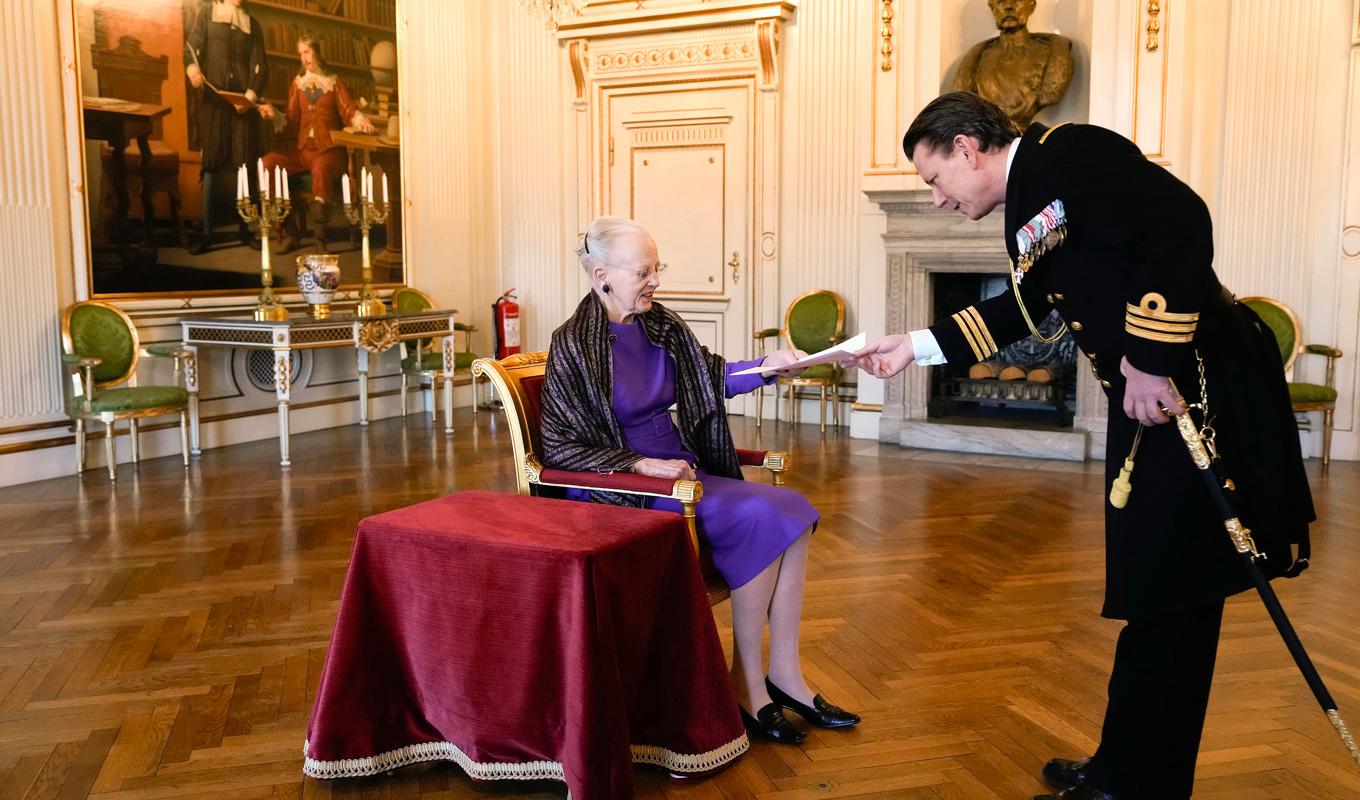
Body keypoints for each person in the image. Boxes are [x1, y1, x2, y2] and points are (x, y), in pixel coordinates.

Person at [854, 92, 1314, 800]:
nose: (937, 198)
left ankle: (1137, 784)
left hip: (1193, 390)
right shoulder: (1033, 200)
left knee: (1172, 593)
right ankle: (1124, 767)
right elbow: (1028, 307)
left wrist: (1149, 357)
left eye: (933, 178)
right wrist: (912, 346)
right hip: (1155, 399)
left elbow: (1181, 222)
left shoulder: (1071, 153)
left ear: (967, 149)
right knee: (1154, 590)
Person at [540, 216, 862, 744]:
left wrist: (767, 367)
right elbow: (560, 448)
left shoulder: (658, 325)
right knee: (764, 514)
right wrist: (638, 465)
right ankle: (749, 687)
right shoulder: (574, 343)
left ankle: (784, 675)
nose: (656, 281)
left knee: (795, 513)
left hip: (682, 473)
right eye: (644, 270)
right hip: (625, 489)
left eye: (656, 268)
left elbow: (708, 377)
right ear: (602, 275)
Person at [260, 33, 375, 254]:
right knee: (267, 164)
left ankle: (319, 239)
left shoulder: (334, 83)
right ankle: (291, 232)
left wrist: (362, 121)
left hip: (329, 151)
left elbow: (349, 110)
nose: (304, 58)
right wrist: (274, 114)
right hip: (302, 151)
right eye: (300, 54)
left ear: (317, 52)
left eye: (307, 52)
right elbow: (291, 120)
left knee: (321, 168)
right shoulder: (298, 84)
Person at [184, 0, 269, 254]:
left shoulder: (253, 24)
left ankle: (246, 230)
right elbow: (190, 49)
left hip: (242, 104)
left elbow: (262, 66)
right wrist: (193, 71)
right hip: (213, 99)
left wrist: (250, 96)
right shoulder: (206, 13)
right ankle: (208, 233)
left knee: (243, 164)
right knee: (211, 163)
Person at [952, 0, 1073, 128]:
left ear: (1032, 6)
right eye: (1000, 1)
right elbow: (962, 96)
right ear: (992, 7)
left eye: (1016, 0)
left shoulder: (1052, 53)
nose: (1009, 6)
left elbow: (1050, 95)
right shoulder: (977, 58)